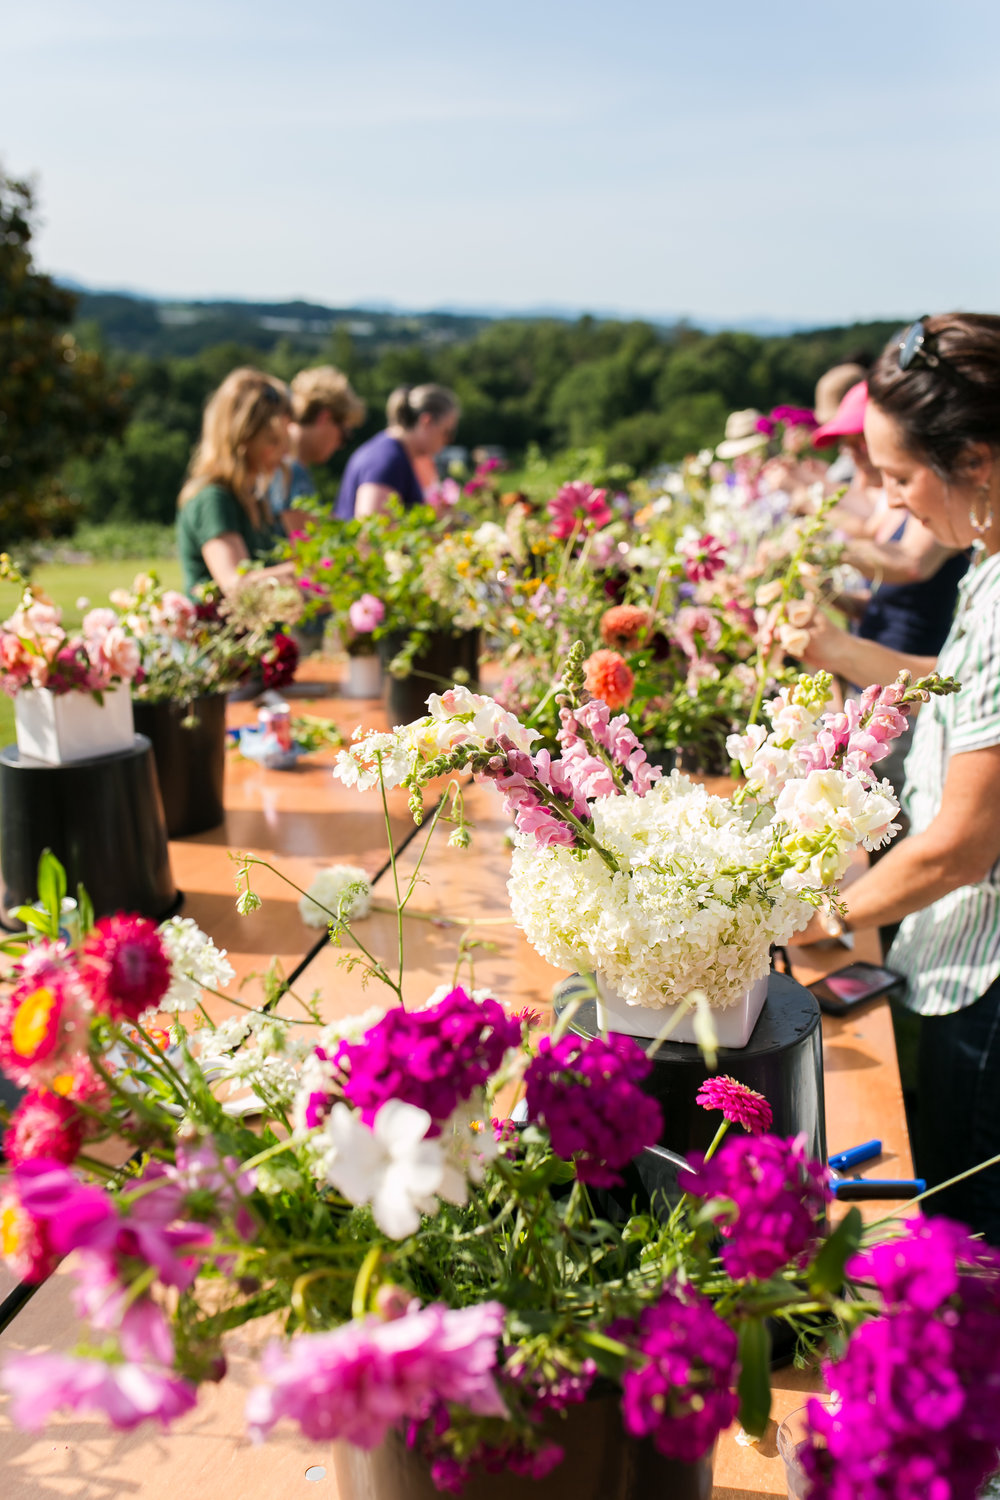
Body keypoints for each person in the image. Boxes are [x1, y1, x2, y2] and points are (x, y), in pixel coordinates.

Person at [794, 313, 1000, 1242]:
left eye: (901, 476)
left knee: (970, 1234)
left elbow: (962, 844)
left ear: (978, 459)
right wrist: (835, 647)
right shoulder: (987, 564)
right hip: (960, 959)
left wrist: (834, 918)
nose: (891, 501)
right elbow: (961, 695)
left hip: (985, 986)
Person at [177, 368, 297, 595]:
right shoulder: (213, 498)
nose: (285, 451)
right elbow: (237, 587)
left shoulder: (255, 496)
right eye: (274, 440)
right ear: (243, 436)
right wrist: (312, 573)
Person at [335, 384, 460, 520]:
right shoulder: (388, 460)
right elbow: (371, 531)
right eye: (448, 432)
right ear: (427, 422)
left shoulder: (389, 452)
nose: (449, 440)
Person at [268, 365, 366, 534]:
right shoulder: (290, 467)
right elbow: (310, 544)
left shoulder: (287, 461)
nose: (341, 444)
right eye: (344, 434)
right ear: (325, 418)